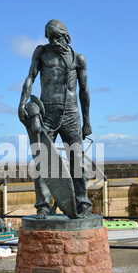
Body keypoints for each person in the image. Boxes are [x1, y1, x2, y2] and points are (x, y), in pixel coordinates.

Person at [18, 19, 92, 219]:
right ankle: (43, 206)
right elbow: (30, 78)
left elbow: (84, 91)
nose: (53, 41)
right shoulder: (41, 52)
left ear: (65, 35)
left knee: (77, 160)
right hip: (46, 113)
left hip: (71, 113)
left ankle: (82, 203)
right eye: (50, 37)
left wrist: (87, 121)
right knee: (43, 161)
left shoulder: (79, 59)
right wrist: (22, 102)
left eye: (56, 37)